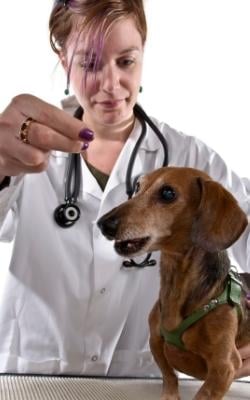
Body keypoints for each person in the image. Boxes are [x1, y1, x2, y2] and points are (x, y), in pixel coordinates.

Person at [0, 0, 249, 378]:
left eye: (126, 61)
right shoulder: (24, 146)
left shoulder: (191, 159)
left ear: (143, 54)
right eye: (90, 63)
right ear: (63, 59)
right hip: (32, 377)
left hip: (143, 382)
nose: (111, 85)